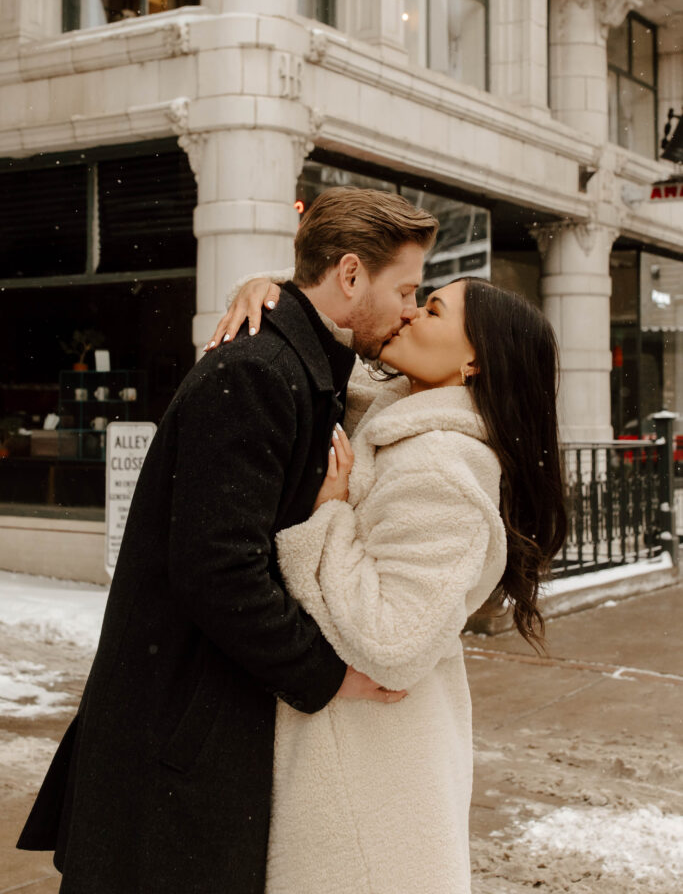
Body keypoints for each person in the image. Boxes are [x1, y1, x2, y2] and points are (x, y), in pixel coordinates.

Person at [16, 187, 439, 894]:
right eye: (406, 288)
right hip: (176, 737)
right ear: (350, 275)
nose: (407, 307)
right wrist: (328, 676)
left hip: (191, 729)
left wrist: (268, 284)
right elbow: (217, 569)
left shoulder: (297, 366)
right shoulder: (257, 372)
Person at [214, 273, 567, 893]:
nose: (408, 315)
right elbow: (324, 344)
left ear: (474, 359)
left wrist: (329, 517)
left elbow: (392, 641)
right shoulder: (397, 413)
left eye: (431, 310)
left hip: (371, 783)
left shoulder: (441, 466)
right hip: (363, 761)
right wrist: (268, 291)